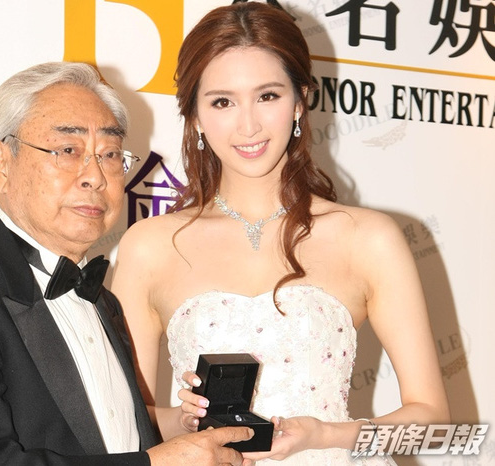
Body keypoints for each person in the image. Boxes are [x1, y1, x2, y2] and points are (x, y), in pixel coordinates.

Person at [111, 3, 450, 464]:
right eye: (223, 102)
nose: (248, 125)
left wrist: (324, 434)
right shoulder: (150, 246)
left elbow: (432, 426)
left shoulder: (368, 237)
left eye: (267, 96)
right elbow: (123, 421)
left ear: (300, 100)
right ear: (194, 116)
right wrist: (184, 421)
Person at [0, 61, 255, 466]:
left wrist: (178, 427)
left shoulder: (102, 301)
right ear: (3, 162)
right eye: (68, 150)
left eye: (110, 154)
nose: (95, 176)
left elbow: (106, 441)